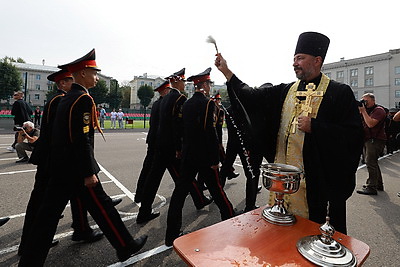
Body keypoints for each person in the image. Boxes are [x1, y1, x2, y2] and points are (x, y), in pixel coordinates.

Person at [215, 32, 364, 234]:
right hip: (284, 186)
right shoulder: (286, 91)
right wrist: (227, 72)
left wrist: (316, 127)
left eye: (300, 58)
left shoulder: (339, 93)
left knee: (318, 242)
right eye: (294, 58)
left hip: (318, 187)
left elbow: (354, 136)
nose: (295, 63)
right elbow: (253, 97)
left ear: (317, 60)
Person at [18, 49, 147, 266]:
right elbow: (80, 138)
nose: (97, 76)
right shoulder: (82, 99)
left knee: (47, 219)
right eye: (94, 72)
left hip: (62, 167)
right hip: (75, 170)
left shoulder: (68, 98)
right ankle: (125, 245)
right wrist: (88, 172)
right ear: (83, 73)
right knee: (101, 206)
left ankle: (124, 245)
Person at [18, 69, 105, 257]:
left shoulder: (57, 100)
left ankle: (81, 229)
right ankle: (29, 245)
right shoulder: (61, 100)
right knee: (42, 206)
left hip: (52, 158)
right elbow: (62, 134)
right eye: (69, 80)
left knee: (47, 202)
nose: (72, 83)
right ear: (62, 84)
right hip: (55, 160)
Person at [165, 68, 235, 246]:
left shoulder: (186, 103)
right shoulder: (208, 103)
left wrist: (181, 149)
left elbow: (181, 130)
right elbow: (211, 133)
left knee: (179, 193)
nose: (210, 87)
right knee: (217, 191)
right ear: (204, 84)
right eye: (209, 84)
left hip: (188, 156)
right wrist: (214, 160)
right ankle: (231, 221)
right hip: (204, 156)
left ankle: (171, 234)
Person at [136, 70, 212, 224]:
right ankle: (200, 200)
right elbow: (178, 125)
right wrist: (179, 147)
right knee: (185, 177)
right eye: (183, 81)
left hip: (160, 145)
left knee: (153, 179)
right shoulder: (180, 98)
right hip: (171, 147)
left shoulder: (164, 99)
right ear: (177, 82)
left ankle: (144, 211)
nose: (185, 84)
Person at [134, 80, 169, 204]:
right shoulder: (164, 103)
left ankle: (139, 195)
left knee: (147, 169)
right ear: (165, 91)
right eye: (168, 90)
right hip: (160, 142)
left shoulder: (156, 104)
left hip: (153, 140)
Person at [356, 93, 386, 195]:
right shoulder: (366, 111)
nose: (364, 103)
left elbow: (370, 124)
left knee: (370, 162)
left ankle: (372, 187)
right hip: (368, 139)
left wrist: (363, 111)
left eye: (366, 101)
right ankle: (378, 184)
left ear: (373, 100)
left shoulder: (379, 110)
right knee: (373, 162)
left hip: (376, 140)